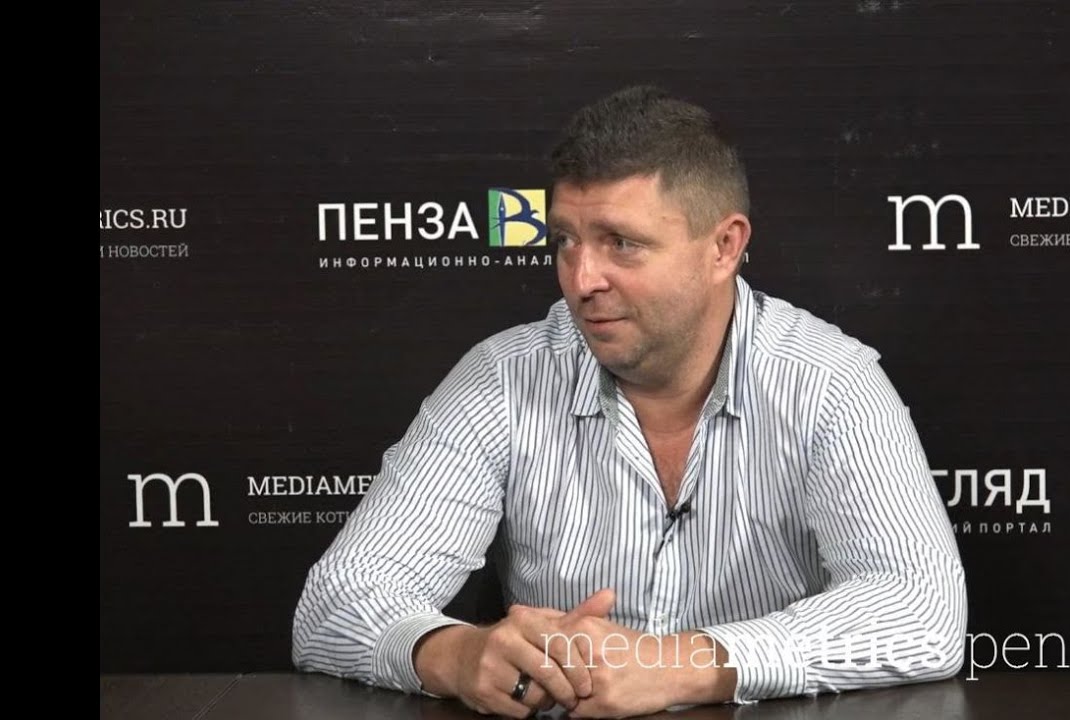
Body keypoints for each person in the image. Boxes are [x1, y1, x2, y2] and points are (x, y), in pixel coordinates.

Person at [292, 85, 967, 718]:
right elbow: (333, 607)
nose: (582, 279)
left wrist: (683, 665)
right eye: (565, 241)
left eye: (622, 243)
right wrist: (455, 654)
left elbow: (923, 612)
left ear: (724, 247)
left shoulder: (830, 382)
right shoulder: (502, 379)